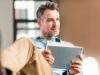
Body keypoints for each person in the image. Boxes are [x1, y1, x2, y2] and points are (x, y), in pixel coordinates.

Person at [31, 1, 83, 75]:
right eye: (50, 20)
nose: (55, 24)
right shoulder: (28, 44)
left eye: (57, 19)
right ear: (39, 22)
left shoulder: (69, 47)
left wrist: (71, 73)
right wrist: (39, 62)